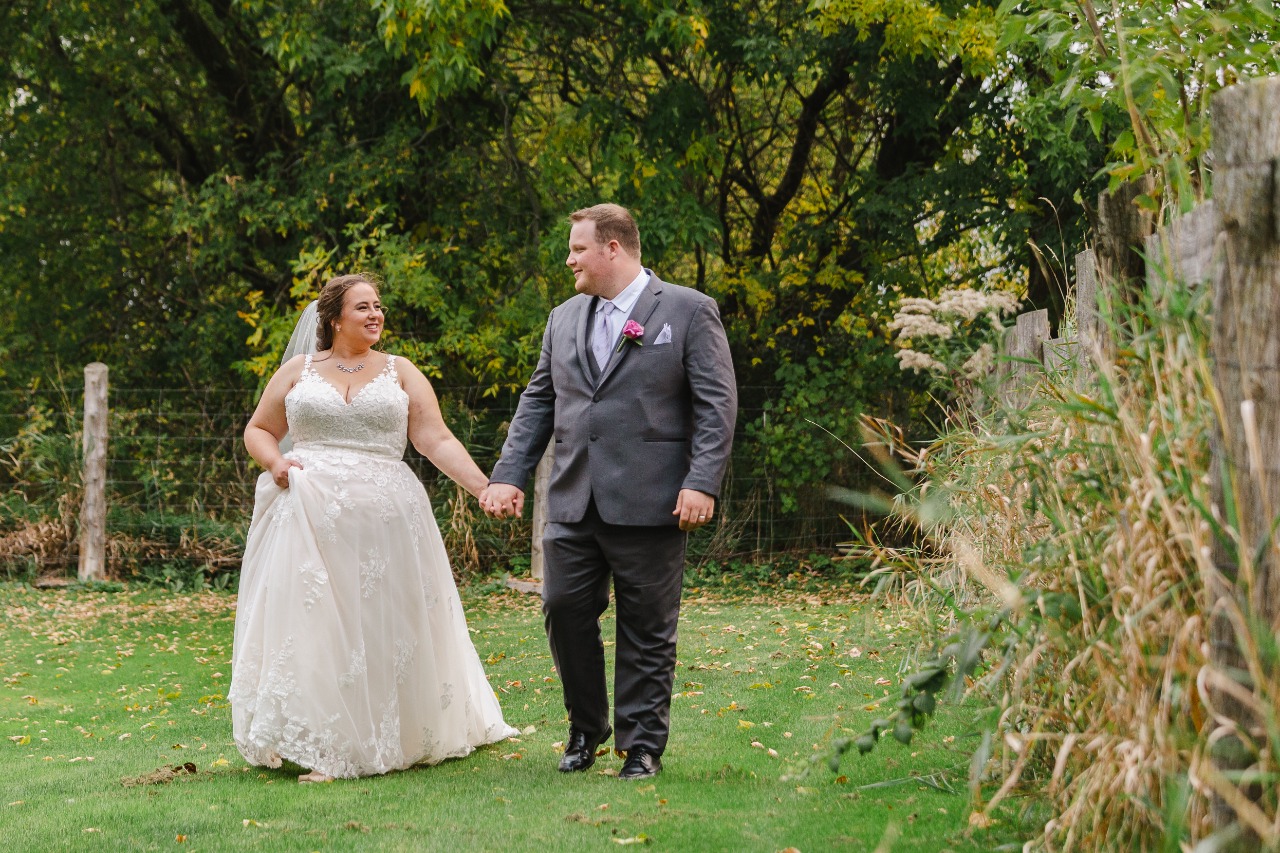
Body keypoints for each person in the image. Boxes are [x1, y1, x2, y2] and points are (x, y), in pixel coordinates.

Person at [230, 273, 518, 783]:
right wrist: (276, 462)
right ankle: (327, 745)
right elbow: (259, 429)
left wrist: (484, 488)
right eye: (363, 306)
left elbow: (434, 439)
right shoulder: (298, 371)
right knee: (316, 625)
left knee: (384, 626)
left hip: (385, 519)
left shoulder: (400, 371)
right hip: (308, 516)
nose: (375, 314)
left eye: (378, 306)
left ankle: (389, 733)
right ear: (334, 318)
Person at [483, 204, 737, 780]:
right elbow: (539, 401)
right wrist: (508, 473)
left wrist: (701, 482)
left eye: (578, 249)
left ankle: (641, 745)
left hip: (653, 500)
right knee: (562, 609)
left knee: (647, 628)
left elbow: (717, 404)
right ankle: (586, 726)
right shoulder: (563, 317)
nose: (569, 260)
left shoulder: (688, 310)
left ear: (613, 248)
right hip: (573, 498)